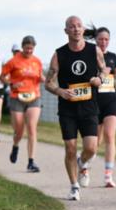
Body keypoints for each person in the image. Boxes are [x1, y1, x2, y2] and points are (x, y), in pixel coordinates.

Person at [45, 17, 105, 200]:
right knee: (70, 148)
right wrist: (59, 91)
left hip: (89, 106)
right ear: (66, 31)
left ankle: (82, 163)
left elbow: (104, 70)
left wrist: (99, 79)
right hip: (68, 109)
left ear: (83, 30)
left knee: (91, 148)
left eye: (79, 26)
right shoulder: (59, 54)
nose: (76, 29)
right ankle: (74, 186)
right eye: (72, 27)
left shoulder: (94, 50)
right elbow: (48, 83)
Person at [85, 25, 116, 188]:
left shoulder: (113, 57)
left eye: (106, 39)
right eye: (101, 39)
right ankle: (85, 166)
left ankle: (108, 176)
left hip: (110, 100)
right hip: (94, 101)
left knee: (110, 136)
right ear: (95, 39)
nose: (104, 42)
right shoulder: (89, 56)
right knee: (95, 142)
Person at [1, 36, 43, 172]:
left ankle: (31, 162)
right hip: (17, 97)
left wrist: (44, 79)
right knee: (19, 130)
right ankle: (15, 145)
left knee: (31, 127)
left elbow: (41, 77)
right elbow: (2, 77)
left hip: (34, 96)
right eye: (27, 48)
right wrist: (12, 83)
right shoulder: (13, 61)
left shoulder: (37, 61)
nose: (29, 51)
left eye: (31, 48)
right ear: (22, 47)